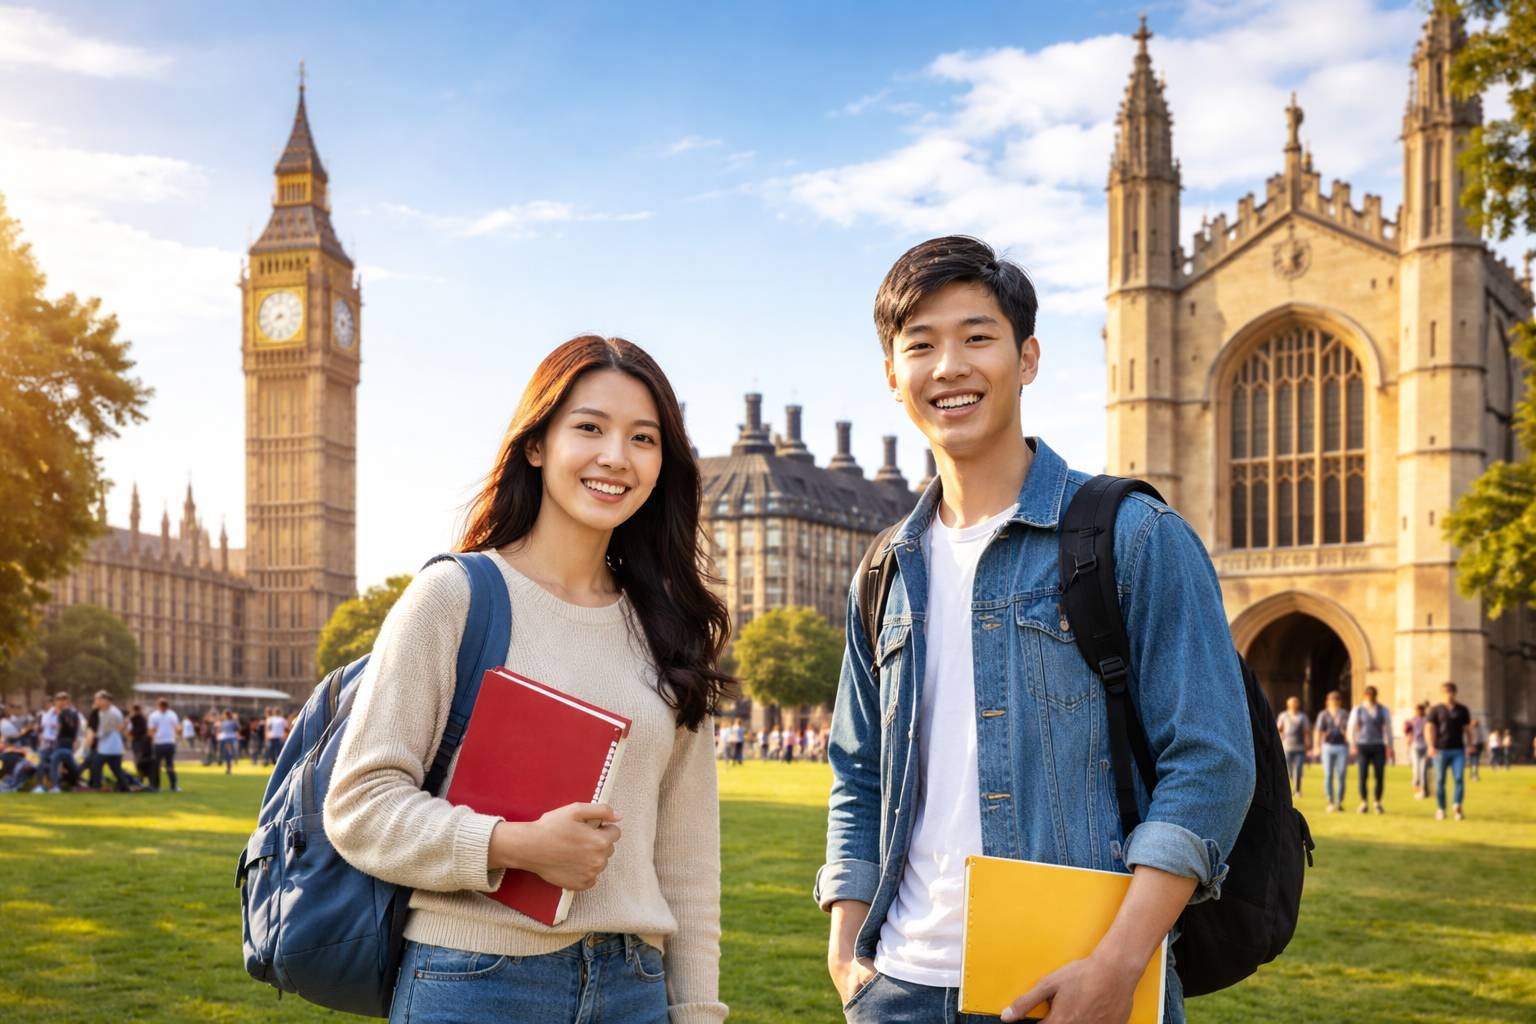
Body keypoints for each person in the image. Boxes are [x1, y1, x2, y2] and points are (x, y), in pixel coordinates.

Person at [820, 237, 1253, 1024]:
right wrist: (849, 948)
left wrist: (1118, 967)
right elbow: (858, 770)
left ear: (1027, 358)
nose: (949, 366)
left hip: (1076, 986)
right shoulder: (882, 570)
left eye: (977, 337)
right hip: (897, 992)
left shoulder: (1135, 536)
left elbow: (1211, 765)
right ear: (894, 377)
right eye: (921, 345)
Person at [324, 336, 730, 1024]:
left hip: (635, 987)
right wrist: (511, 846)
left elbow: (686, 858)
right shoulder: (453, 597)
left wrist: (695, 1012)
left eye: (643, 438)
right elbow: (359, 805)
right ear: (536, 444)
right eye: (589, 428)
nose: (615, 457)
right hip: (475, 983)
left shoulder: (672, 629)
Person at [1427, 681, 1472, 821]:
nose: (1449, 695)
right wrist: (1430, 746)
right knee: (1439, 781)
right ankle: (1441, 809)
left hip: (1458, 750)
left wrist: (1470, 744)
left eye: (1451, 692)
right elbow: (1429, 728)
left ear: (1455, 693)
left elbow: (1467, 729)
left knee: (1459, 779)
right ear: (1442, 694)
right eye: (1446, 693)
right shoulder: (1436, 710)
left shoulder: (1462, 709)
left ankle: (1457, 806)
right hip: (1440, 750)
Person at [1348, 685, 1392, 814]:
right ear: (1365, 696)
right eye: (1368, 695)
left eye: (1372, 695)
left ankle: (1377, 802)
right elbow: (1351, 726)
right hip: (1363, 745)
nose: (1370, 697)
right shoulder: (1358, 709)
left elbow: (1388, 728)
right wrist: (1353, 744)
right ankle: (1364, 802)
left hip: (1378, 744)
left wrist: (1390, 745)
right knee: (1363, 775)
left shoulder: (1383, 709)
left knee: (1379, 775)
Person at [88, 691, 135, 792]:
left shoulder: (114, 713)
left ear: (106, 700)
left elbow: (118, 729)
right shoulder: (101, 712)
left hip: (111, 746)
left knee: (96, 762)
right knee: (116, 769)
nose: (97, 702)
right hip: (106, 746)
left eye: (99, 700)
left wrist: (95, 737)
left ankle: (97, 785)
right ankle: (125, 787)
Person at [1314, 691, 1350, 812]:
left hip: (1342, 746)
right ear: (1328, 701)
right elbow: (1318, 730)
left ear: (1339, 702)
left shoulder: (1344, 714)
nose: (1334, 703)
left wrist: (1350, 739)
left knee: (1341, 774)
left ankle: (1339, 801)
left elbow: (1349, 728)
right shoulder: (1323, 714)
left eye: (1336, 700)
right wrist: (1316, 746)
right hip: (1328, 746)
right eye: (1331, 700)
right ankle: (1330, 801)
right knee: (1328, 774)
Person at [45, 693, 82, 793]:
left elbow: (69, 727)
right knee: (70, 763)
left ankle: (54, 786)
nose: (56, 703)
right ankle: (77, 781)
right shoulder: (74, 712)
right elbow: (76, 728)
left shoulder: (65, 712)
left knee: (54, 763)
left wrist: (60, 734)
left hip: (63, 741)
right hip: (69, 741)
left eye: (57, 701)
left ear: (62, 701)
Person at [1277, 697, 1310, 797]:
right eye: (1292, 703)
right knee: (1288, 767)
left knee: (1299, 768)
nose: (1294, 705)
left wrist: (1308, 742)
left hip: (1299, 744)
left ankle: (1297, 790)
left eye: (1296, 703)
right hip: (1287, 744)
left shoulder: (1302, 716)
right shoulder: (1283, 715)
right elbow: (1279, 728)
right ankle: (1291, 782)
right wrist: (1281, 737)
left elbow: (1306, 731)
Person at [148, 699, 181, 792]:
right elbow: (177, 728)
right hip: (166, 743)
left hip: (162, 743)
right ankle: (171, 785)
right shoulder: (171, 714)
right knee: (165, 765)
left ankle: (157, 786)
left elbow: (151, 730)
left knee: (162, 765)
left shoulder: (155, 715)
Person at [1406, 703, 1430, 798]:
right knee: (1416, 769)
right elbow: (1409, 734)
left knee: (1423, 768)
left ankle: (1423, 789)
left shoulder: (1427, 720)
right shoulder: (1412, 721)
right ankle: (1418, 787)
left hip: (1425, 745)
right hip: (1415, 746)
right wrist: (1407, 745)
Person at [128, 703, 155, 782]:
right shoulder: (144, 719)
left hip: (137, 742)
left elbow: (129, 731)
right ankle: (149, 779)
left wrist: (131, 737)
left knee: (138, 761)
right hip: (145, 743)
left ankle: (140, 778)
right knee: (146, 761)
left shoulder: (132, 719)